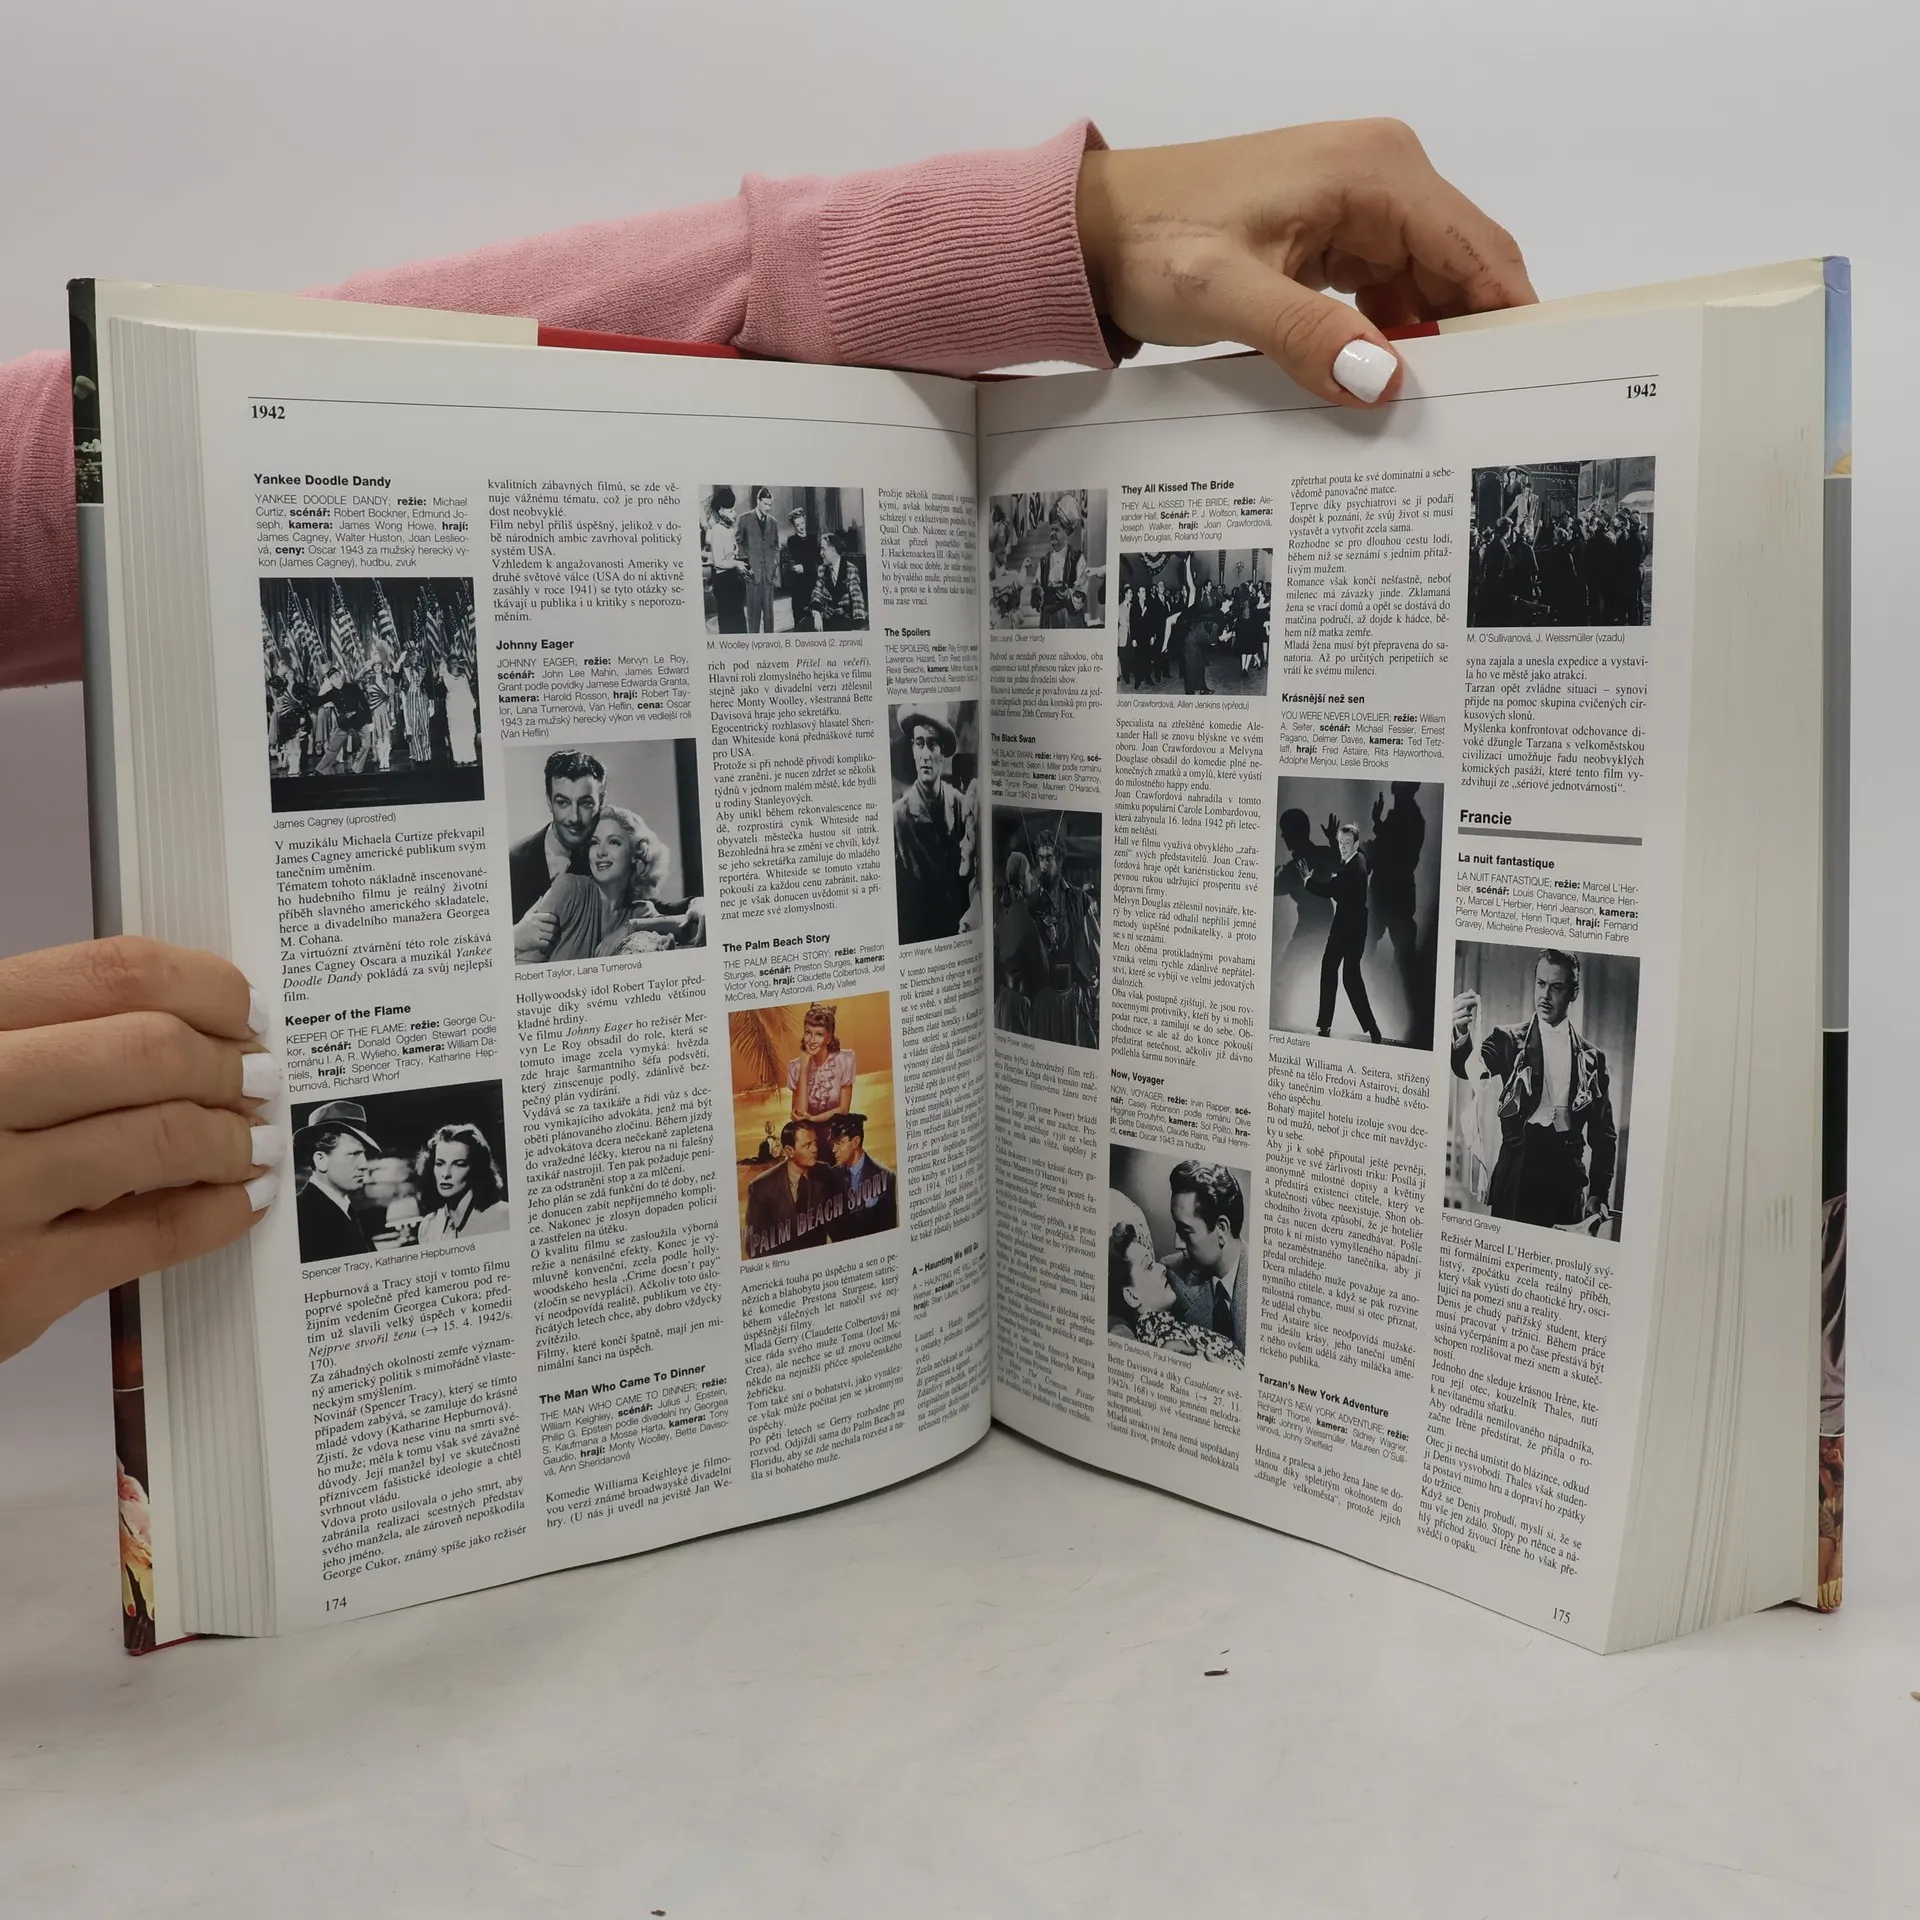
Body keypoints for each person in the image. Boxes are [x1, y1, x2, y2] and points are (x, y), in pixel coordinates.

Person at [0, 119, 1536, 1363]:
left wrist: (1049, 232)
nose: (587, 804)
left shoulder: (666, 872)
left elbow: (100, 453)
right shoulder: (565, 884)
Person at [1450, 950, 1618, 1230]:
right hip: (1517, 1176)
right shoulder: (1506, 1039)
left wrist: (1598, 1192)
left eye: (1556, 987)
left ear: (1573, 993)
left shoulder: (1593, 1057)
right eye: (1541, 984)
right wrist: (1461, 1034)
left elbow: (1604, 1135)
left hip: (1566, 1184)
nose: (1545, 996)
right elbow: (1466, 1069)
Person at [523, 804, 673, 963]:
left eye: (613, 842)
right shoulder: (568, 889)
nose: (601, 852)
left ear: (636, 855)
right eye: (594, 842)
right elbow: (526, 963)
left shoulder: (640, 912)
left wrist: (632, 925)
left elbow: (686, 927)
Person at [1107, 1207, 1242, 1363]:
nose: (1162, 1268)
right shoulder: (1164, 1342)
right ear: (1132, 1296)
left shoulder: (1169, 1328)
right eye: (1149, 1266)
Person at [892, 708, 971, 944]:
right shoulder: (898, 818)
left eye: (932, 744)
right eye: (919, 744)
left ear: (943, 752)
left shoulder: (961, 805)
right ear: (913, 750)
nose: (925, 754)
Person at [510, 748, 605, 940]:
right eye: (563, 803)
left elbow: (647, 908)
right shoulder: (511, 861)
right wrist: (512, 937)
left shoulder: (607, 858)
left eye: (585, 803)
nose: (574, 818)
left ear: (601, 801)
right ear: (549, 801)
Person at [1307, 819, 1383, 1043]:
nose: (1342, 847)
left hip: (1344, 928)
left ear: (1356, 844)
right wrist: (1335, 840)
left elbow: (1330, 889)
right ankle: (1373, 1029)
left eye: (1346, 843)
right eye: (1340, 842)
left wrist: (1307, 881)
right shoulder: (1361, 859)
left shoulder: (1352, 870)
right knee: (1350, 977)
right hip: (1357, 926)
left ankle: (1325, 1025)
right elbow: (1345, 863)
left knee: (1331, 970)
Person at [1163, 1161, 1249, 1355]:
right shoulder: (1170, 1273)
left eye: (1185, 1232)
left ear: (1221, 1229)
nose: (1177, 1244)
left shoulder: (1270, 1287)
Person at [293, 1100, 381, 1264]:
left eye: (363, 1154)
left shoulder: (347, 1209)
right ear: (321, 1160)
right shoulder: (300, 1216)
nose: (364, 1165)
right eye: (354, 1154)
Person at [742, 1118, 838, 1259]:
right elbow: (754, 1246)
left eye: (815, 1143)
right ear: (789, 1151)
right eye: (807, 1145)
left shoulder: (824, 1173)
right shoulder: (761, 1188)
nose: (815, 1149)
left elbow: (838, 1225)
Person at [414, 1123, 510, 1243]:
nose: (446, 1174)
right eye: (439, 1164)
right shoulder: (427, 1226)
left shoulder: (503, 1216)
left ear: (476, 1169)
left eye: (458, 1164)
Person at [824, 1111, 897, 1240]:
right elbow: (831, 1224)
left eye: (839, 1143)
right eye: (833, 1144)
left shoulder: (886, 1178)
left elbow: (888, 1228)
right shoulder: (831, 1176)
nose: (834, 1149)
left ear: (856, 1142)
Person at [787, 1002, 856, 1127]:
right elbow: (800, 1116)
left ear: (829, 1038)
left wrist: (813, 1119)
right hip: (809, 1133)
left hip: (837, 1130)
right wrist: (803, 1070)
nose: (812, 1040)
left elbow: (844, 1110)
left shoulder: (844, 1060)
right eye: (808, 1033)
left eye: (819, 1034)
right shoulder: (796, 1067)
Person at [702, 486, 747, 632]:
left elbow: (733, 554)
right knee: (729, 624)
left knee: (739, 623)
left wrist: (739, 562)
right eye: (730, 510)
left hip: (733, 580)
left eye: (734, 509)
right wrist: (737, 563)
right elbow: (719, 561)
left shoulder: (730, 530)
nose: (734, 513)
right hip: (723, 583)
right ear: (721, 511)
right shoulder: (717, 531)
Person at [738, 485, 783, 632]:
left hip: (768, 574)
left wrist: (775, 563)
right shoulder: (744, 519)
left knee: (769, 616)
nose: (768, 508)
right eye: (765, 504)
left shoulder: (773, 522)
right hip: (753, 574)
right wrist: (746, 564)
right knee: (753, 616)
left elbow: (776, 545)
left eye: (770, 505)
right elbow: (739, 543)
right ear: (758, 501)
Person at [811, 527, 867, 630]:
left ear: (832, 550)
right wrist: (817, 612)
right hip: (826, 619)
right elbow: (817, 593)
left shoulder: (850, 569)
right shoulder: (822, 569)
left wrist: (858, 626)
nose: (821, 553)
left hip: (845, 620)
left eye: (823, 549)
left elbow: (857, 599)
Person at [781, 506, 820, 631]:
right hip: (799, 585)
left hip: (813, 582)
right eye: (798, 525)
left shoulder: (814, 539)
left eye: (802, 523)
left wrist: (805, 567)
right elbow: (792, 563)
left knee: (814, 618)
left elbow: (818, 561)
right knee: (799, 619)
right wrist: (797, 567)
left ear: (805, 520)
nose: (801, 527)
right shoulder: (792, 541)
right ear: (794, 525)